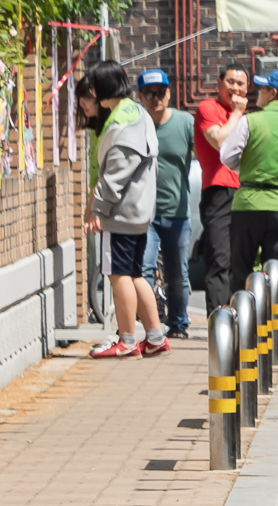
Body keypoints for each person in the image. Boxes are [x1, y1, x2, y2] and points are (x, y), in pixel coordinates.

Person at [83, 62, 163, 358]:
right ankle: (154, 336)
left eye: (93, 87)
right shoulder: (137, 111)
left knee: (118, 275)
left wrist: (97, 208)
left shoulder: (123, 120)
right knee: (134, 273)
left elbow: (115, 172)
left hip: (120, 213)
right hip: (137, 210)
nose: (91, 93)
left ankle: (127, 340)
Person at [220, 69, 278, 299]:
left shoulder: (251, 120)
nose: (257, 93)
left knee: (241, 269)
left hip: (248, 204)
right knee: (276, 273)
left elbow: (226, 155)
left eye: (261, 89)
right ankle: (272, 327)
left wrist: (249, 170)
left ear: (273, 93)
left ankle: (240, 326)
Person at [139, 69, 197, 343]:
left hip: (177, 211)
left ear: (169, 93)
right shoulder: (137, 126)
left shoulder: (185, 122)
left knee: (178, 274)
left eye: (160, 92)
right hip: (144, 214)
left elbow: (208, 153)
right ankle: (149, 324)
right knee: (143, 268)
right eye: (149, 94)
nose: (155, 98)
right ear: (140, 97)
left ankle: (178, 323)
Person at [194, 66, 249, 315]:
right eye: (230, 82)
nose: (235, 88)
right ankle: (218, 321)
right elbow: (219, 141)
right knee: (220, 259)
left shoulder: (247, 117)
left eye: (240, 83)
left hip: (244, 192)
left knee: (241, 261)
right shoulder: (208, 108)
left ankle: (239, 319)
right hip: (218, 191)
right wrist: (236, 114)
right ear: (219, 83)